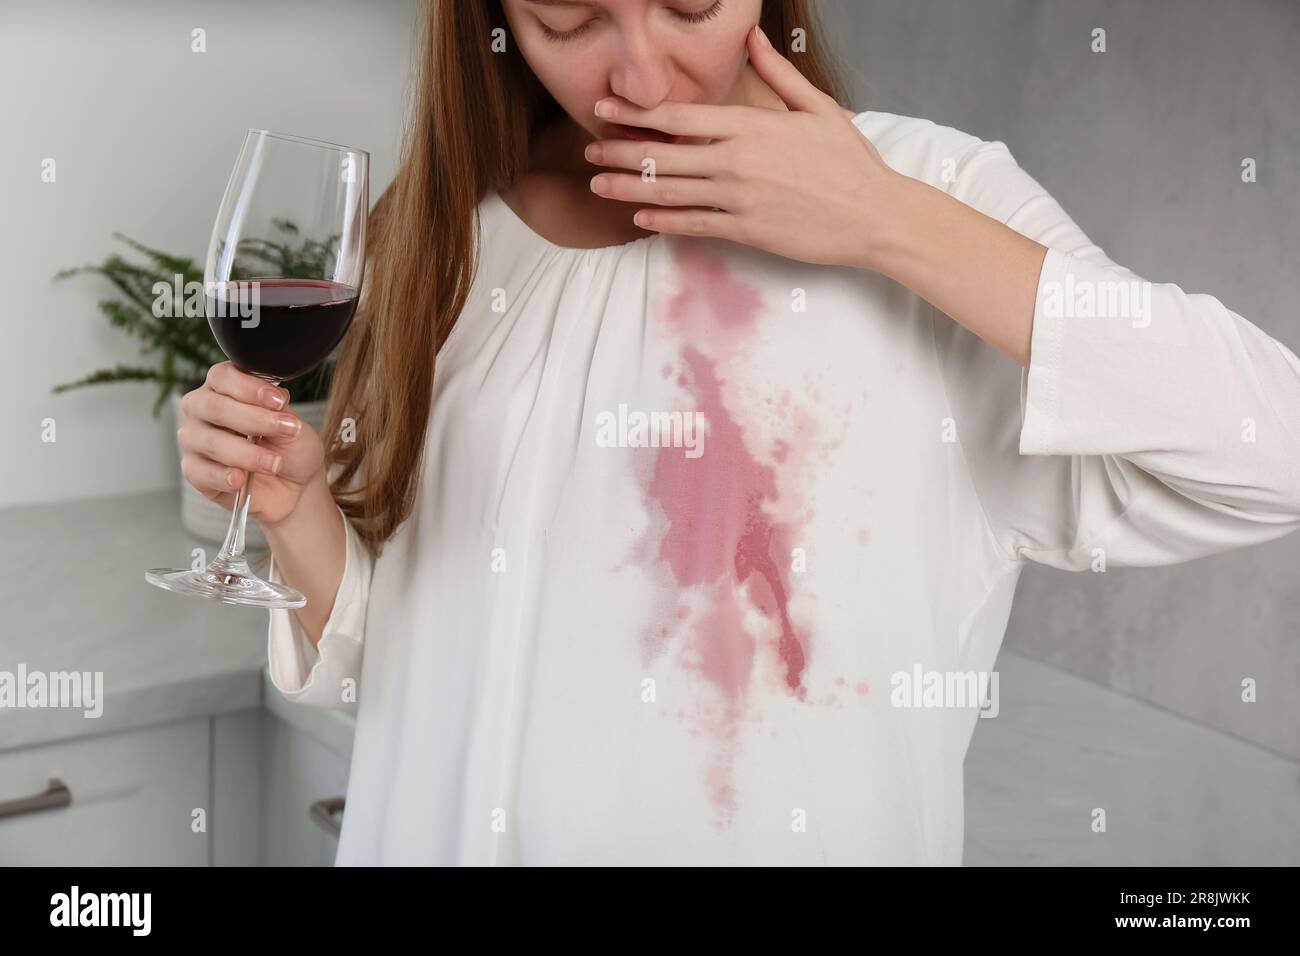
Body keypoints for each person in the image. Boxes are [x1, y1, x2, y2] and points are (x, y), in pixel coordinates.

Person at [176, 0, 1300, 865]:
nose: (638, 73)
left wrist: (886, 224)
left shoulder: (932, 191)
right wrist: (299, 515)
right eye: (566, 19)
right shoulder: (440, 236)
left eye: (689, 4)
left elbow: (1271, 448)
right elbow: (414, 674)